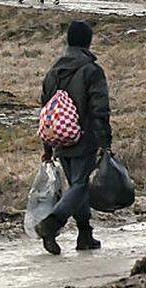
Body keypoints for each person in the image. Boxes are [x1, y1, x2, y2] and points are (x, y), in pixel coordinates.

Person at [34, 21, 112, 255]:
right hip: (83, 136)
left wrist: (47, 146)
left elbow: (46, 110)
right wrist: (105, 140)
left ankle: (85, 235)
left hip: (58, 137)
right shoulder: (92, 70)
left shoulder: (53, 72)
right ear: (88, 42)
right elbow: (100, 108)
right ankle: (52, 224)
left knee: (76, 188)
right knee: (79, 185)